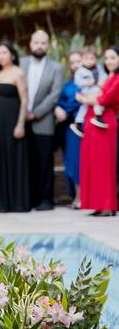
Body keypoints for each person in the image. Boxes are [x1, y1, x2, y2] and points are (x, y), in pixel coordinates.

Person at [20, 30, 63, 211]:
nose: (39, 46)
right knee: (25, 162)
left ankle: (46, 199)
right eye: (36, 42)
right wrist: (24, 114)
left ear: (48, 45)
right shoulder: (20, 63)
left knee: (45, 162)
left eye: (43, 43)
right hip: (21, 120)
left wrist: (36, 113)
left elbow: (54, 95)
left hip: (42, 121)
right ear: (30, 44)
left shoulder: (56, 68)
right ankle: (29, 198)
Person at [0, 41, 30, 212]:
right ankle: (0, 202)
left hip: (12, 118)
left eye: (4, 52)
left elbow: (25, 99)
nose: (1, 56)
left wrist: (20, 124)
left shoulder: (18, 73)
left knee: (13, 157)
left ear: (12, 54)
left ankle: (16, 202)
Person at [79, 46, 119, 216]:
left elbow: (104, 99)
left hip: (105, 124)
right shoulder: (108, 76)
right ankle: (97, 204)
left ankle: (108, 205)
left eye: (113, 58)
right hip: (92, 123)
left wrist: (84, 99)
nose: (109, 61)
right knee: (93, 164)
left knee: (104, 164)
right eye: (107, 58)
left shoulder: (117, 78)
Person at [55, 50, 83, 207]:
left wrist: (65, 108)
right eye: (72, 62)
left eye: (78, 61)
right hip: (71, 128)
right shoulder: (67, 85)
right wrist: (57, 109)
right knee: (72, 162)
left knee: (85, 162)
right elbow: (60, 101)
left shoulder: (90, 81)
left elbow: (78, 99)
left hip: (87, 126)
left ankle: (83, 197)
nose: (75, 65)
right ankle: (77, 195)